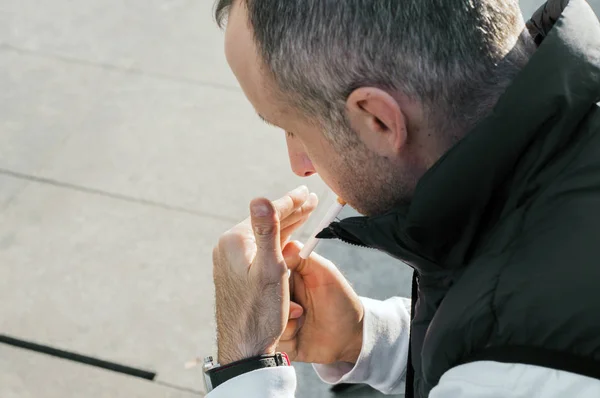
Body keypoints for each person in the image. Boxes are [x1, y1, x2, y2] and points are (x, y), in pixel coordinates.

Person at [205, 0, 600, 396]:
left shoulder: (524, 371)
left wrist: (245, 362)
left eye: (291, 127)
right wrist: (369, 338)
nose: (299, 165)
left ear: (378, 120)